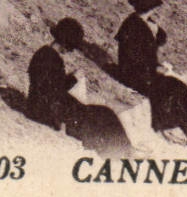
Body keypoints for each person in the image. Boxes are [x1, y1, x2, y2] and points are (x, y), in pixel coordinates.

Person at [114, 0, 187, 146]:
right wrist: (154, 68)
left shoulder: (146, 23)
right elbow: (130, 58)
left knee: (179, 86)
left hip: (147, 73)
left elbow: (161, 38)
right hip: (134, 74)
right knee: (172, 90)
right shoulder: (131, 25)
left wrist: (155, 30)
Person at [27, 18, 133, 156]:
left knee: (101, 114)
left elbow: (51, 86)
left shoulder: (43, 53)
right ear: (66, 44)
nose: (70, 51)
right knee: (101, 116)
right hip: (49, 112)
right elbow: (53, 91)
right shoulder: (51, 58)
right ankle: (122, 151)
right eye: (70, 47)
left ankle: (121, 149)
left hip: (43, 106)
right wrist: (74, 79)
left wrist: (71, 80)